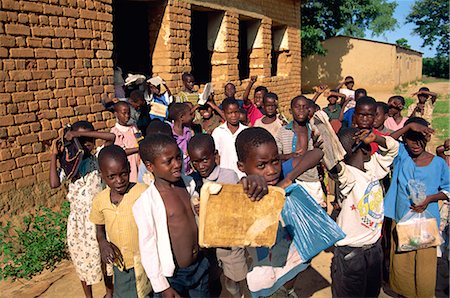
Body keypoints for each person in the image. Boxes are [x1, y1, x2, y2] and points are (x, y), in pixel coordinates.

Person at [133, 134, 268, 297]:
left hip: (200, 266)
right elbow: (148, 247)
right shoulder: (146, 203)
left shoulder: (188, 184)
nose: (176, 164)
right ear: (150, 166)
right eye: (168, 161)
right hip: (175, 276)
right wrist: (162, 287)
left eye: (178, 157)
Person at [235, 127, 324, 297]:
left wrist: (287, 180)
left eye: (275, 161)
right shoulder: (245, 191)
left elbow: (316, 154)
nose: (271, 170)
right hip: (268, 285)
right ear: (241, 166)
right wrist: (247, 181)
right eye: (261, 165)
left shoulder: (281, 175)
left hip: (289, 276)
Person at [329, 127, 399, 297]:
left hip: (374, 248)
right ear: (363, 148)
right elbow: (334, 168)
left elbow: (392, 148)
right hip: (352, 253)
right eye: (368, 144)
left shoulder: (372, 167)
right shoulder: (348, 177)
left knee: (371, 292)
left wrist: (377, 138)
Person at [49, 121, 116, 298]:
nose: (86, 143)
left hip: (100, 219)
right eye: (82, 140)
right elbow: (54, 183)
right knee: (84, 261)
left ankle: (109, 293)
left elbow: (111, 137)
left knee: (106, 260)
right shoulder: (69, 166)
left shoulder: (99, 158)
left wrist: (78, 135)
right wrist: (54, 156)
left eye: (89, 139)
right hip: (80, 224)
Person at [384, 117, 449, 298]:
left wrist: (430, 198)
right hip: (402, 219)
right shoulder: (401, 156)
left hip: (427, 223)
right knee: (402, 264)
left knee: (424, 266)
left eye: (420, 138)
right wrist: (409, 127)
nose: (415, 144)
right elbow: (387, 141)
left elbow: (448, 188)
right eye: (411, 138)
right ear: (404, 139)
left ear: (427, 138)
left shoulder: (438, 163)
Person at [187, 134, 248, 298]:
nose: (201, 166)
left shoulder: (228, 176)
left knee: (235, 276)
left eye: (205, 160)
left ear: (215, 156)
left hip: (229, 241)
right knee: (212, 276)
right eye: (195, 162)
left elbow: (236, 207)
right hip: (205, 244)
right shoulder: (191, 182)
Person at [90, 145, 150, 298]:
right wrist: (103, 244)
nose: (119, 180)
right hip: (121, 264)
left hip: (145, 261)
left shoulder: (143, 192)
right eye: (112, 176)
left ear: (129, 168)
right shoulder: (100, 200)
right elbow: (99, 230)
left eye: (123, 174)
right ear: (102, 175)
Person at [276, 96, 326, 207]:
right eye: (297, 107)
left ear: (309, 110)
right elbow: (276, 156)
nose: (301, 110)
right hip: (289, 178)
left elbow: (322, 154)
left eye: (304, 107)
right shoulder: (283, 131)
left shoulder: (315, 130)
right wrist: (289, 156)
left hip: (310, 179)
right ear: (290, 111)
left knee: (315, 213)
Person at [212, 98, 248, 178]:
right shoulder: (218, 132)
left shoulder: (246, 131)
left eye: (236, 112)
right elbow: (216, 156)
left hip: (243, 175)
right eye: (230, 113)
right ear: (224, 114)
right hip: (225, 176)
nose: (234, 116)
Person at [110, 102, 140, 182]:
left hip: (138, 161)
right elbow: (121, 151)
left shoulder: (133, 127)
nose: (127, 116)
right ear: (116, 114)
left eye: (128, 113)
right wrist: (138, 149)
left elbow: (140, 139)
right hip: (128, 164)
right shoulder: (115, 132)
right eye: (124, 113)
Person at [168, 103, 194, 175]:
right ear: (182, 117)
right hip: (176, 171)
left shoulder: (188, 131)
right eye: (189, 114)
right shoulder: (170, 133)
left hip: (188, 171)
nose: (192, 116)